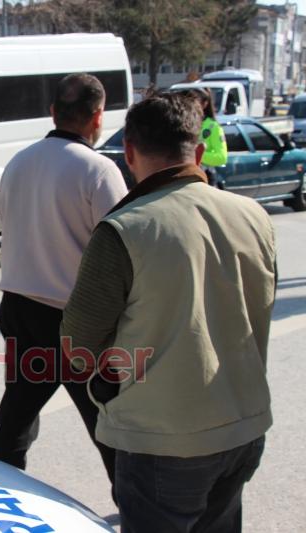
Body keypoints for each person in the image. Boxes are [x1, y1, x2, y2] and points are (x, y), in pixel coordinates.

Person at [61, 92, 275, 532]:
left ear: (130, 152)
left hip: (161, 443)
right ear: (197, 151)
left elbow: (77, 346)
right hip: (242, 428)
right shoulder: (254, 215)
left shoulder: (125, 228)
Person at [0, 73, 126, 481]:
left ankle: (0, 489)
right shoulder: (99, 171)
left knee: (17, 414)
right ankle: (137, 509)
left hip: (17, 308)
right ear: (98, 116)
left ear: (53, 112)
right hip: (75, 320)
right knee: (108, 423)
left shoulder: (18, 162)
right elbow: (121, 251)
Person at [185, 87, 227, 186]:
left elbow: (221, 158)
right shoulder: (182, 123)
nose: (190, 105)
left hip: (204, 177)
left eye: (194, 101)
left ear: (205, 104)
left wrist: (196, 155)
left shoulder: (212, 127)